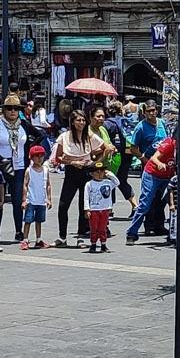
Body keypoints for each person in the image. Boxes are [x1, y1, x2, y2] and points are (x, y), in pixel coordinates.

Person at [51, 108, 106, 247]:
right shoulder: (65, 136)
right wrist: (72, 162)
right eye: (78, 120)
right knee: (63, 205)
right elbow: (58, 158)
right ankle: (62, 236)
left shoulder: (89, 136)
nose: (81, 122)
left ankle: (80, 236)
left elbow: (105, 147)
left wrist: (94, 162)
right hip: (71, 172)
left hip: (86, 172)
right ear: (72, 122)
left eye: (83, 120)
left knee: (84, 205)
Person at [0, 93, 30, 241]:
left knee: (18, 200)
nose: (12, 111)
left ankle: (19, 231)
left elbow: (39, 135)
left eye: (16, 108)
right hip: (1, 167)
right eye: (9, 108)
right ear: (4, 110)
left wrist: (29, 154)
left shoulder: (23, 124)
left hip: (19, 166)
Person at [126, 135, 172, 245]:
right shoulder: (169, 143)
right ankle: (131, 233)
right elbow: (153, 158)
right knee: (145, 204)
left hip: (168, 176)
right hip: (152, 174)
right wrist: (160, 163)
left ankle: (172, 233)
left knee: (172, 203)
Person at [20, 145, 50, 248]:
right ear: (32, 157)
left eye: (41, 155)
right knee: (28, 220)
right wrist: (24, 200)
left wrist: (49, 199)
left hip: (41, 200)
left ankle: (38, 239)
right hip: (31, 200)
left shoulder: (46, 170)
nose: (39, 158)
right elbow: (25, 184)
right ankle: (25, 239)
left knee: (39, 220)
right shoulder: (29, 170)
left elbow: (48, 185)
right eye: (36, 156)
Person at [85, 168, 116, 254]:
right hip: (94, 209)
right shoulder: (89, 184)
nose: (99, 174)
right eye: (97, 172)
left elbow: (117, 182)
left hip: (104, 209)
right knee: (94, 228)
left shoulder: (107, 182)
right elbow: (86, 197)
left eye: (101, 172)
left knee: (103, 228)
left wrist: (110, 174)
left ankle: (103, 244)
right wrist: (87, 209)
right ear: (91, 173)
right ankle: (93, 244)